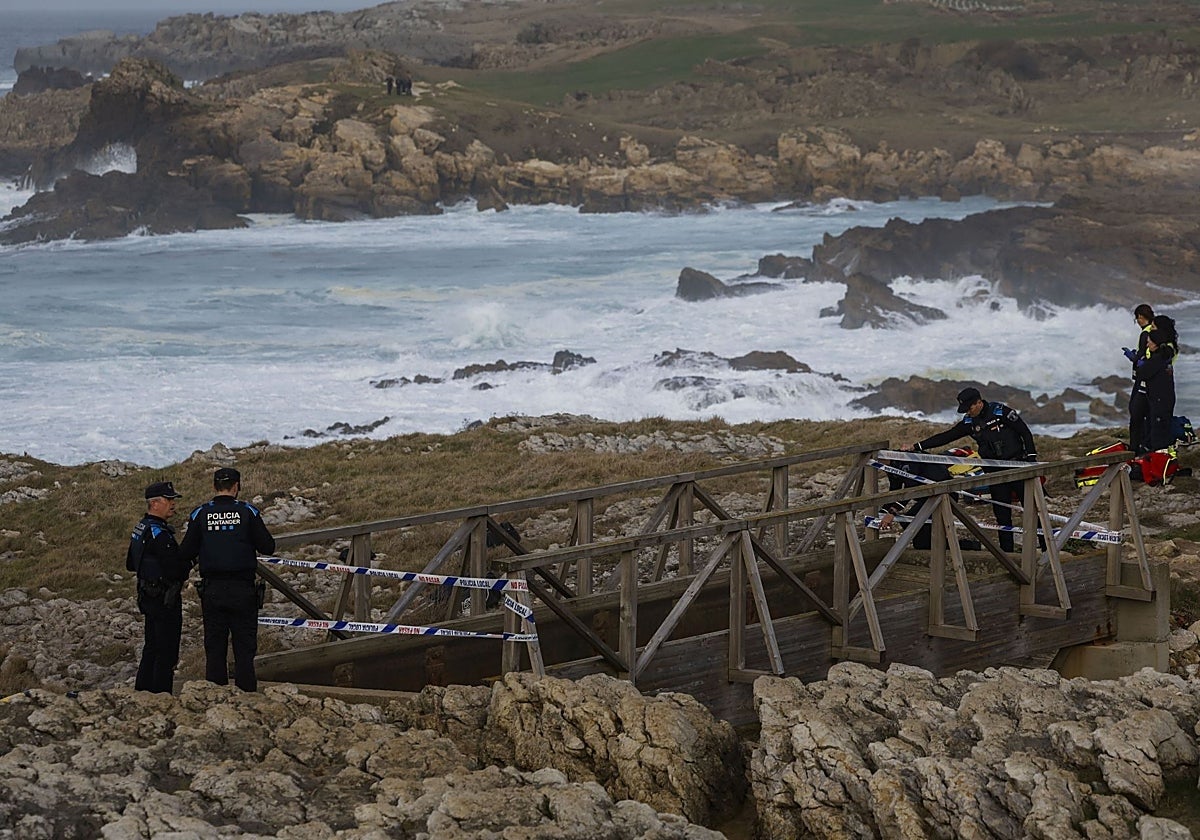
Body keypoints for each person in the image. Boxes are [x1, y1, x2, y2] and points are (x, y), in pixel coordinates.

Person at [905, 387, 1038, 552]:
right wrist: (917, 446)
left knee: (1032, 510)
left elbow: (1025, 432)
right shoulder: (969, 422)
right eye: (965, 409)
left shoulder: (1000, 411)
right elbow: (945, 437)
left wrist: (1031, 460)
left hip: (1018, 466)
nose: (968, 412)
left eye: (970, 408)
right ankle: (1008, 555)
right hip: (995, 473)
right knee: (1002, 515)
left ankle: (1046, 547)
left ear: (979, 402)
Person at [179, 467, 274, 691]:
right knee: (244, 649)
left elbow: (185, 552)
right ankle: (247, 696)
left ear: (214, 487)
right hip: (243, 589)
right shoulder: (248, 511)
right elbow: (268, 546)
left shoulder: (200, 513)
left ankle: (215, 696)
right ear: (236, 486)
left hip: (212, 589)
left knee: (215, 648)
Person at [127, 480, 190, 694]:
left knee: (151, 647)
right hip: (164, 598)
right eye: (169, 500)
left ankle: (142, 693)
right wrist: (188, 563)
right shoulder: (159, 532)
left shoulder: (140, 527)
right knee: (166, 652)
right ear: (155, 503)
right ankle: (161, 696)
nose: (173, 504)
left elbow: (130, 563)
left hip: (146, 594)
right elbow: (175, 570)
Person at [875, 449, 982, 551]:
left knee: (919, 529)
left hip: (944, 494)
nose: (878, 468)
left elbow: (910, 489)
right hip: (928, 497)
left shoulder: (906, 460)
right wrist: (883, 512)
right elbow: (895, 490)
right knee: (911, 527)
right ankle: (931, 546)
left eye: (877, 462)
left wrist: (892, 512)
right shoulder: (891, 465)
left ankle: (967, 546)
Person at [1137, 314, 1178, 452]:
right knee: (1158, 430)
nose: (1147, 344)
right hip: (1163, 398)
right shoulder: (1162, 356)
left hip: (1160, 399)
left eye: (1149, 341)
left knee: (1159, 434)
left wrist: (1139, 363)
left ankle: (1160, 463)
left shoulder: (1160, 357)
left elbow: (1142, 373)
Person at [1124, 303, 1156, 454]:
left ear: (1142, 318)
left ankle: (1136, 447)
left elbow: (1142, 355)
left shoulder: (1146, 333)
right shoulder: (1156, 331)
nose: (1137, 321)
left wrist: (1132, 356)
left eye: (1138, 318)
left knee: (1135, 412)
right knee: (1149, 413)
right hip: (1153, 379)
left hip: (1143, 379)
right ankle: (1147, 444)